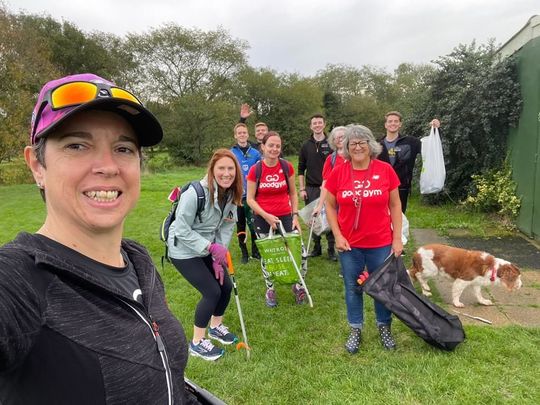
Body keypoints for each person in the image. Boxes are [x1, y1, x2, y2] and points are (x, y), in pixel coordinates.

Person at [0, 73, 198, 404]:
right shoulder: (19, 281)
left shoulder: (139, 263)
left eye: (123, 148)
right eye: (77, 145)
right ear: (37, 165)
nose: (108, 166)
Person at [325, 124, 403, 354]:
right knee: (353, 288)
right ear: (347, 148)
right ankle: (356, 329)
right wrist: (337, 235)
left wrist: (397, 239)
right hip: (350, 245)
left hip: (380, 242)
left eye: (362, 142)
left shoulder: (385, 170)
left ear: (370, 145)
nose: (357, 147)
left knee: (382, 287)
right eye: (352, 143)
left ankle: (384, 327)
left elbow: (395, 204)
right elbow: (330, 205)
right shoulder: (338, 172)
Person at [168, 148, 243, 362]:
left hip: (206, 247)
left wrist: (219, 255)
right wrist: (211, 249)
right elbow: (181, 230)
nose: (226, 173)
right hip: (182, 249)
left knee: (225, 287)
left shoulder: (231, 194)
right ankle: (197, 342)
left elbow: (226, 228)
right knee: (211, 292)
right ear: (212, 170)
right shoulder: (195, 193)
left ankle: (216, 327)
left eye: (231, 169)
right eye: (221, 168)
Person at [246, 131, 304, 307]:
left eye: (278, 146)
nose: (274, 149)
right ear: (263, 147)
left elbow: (293, 193)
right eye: (270, 145)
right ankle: (270, 289)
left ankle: (298, 285)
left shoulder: (287, 167)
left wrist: (295, 216)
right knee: (269, 257)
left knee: (299, 252)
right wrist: (266, 215)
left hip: (286, 217)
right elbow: (250, 199)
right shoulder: (256, 170)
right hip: (263, 219)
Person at [378, 111, 441, 213]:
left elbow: (430, 147)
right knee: (381, 216)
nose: (393, 123)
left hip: (402, 187)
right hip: (380, 188)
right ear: (385, 125)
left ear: (400, 124)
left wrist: (435, 130)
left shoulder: (411, 142)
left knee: (399, 217)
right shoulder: (377, 145)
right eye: (390, 121)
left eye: (396, 121)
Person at [298, 114, 336, 260]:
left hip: (330, 188)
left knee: (331, 215)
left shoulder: (331, 144)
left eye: (320, 123)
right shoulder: (305, 145)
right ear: (311, 126)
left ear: (324, 124)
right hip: (311, 187)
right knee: (313, 218)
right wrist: (302, 189)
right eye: (314, 123)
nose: (317, 125)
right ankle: (316, 247)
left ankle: (332, 249)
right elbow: (301, 169)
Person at [230, 123, 261, 263]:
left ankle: (255, 252)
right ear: (235, 135)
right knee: (240, 225)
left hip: (253, 197)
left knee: (254, 225)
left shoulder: (255, 153)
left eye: (244, 132)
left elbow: (260, 173)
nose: (242, 135)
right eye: (239, 133)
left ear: (248, 135)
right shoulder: (231, 153)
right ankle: (244, 253)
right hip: (238, 197)